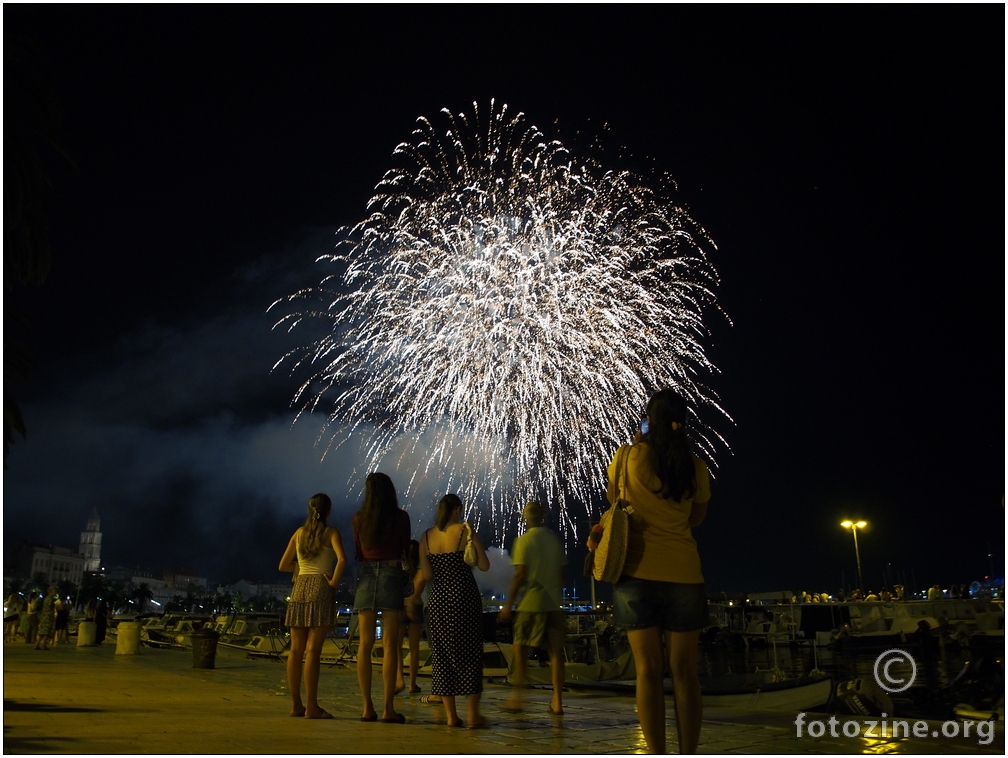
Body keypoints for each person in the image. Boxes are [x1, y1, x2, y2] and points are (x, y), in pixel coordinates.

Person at [603, 389, 711, 754]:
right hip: (684, 574)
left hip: (635, 574)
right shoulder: (695, 465)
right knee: (685, 672)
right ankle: (688, 752)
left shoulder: (626, 457)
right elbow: (696, 518)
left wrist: (634, 448)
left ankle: (656, 752)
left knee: (647, 671)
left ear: (649, 419)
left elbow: (613, 500)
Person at [420, 493, 490, 728]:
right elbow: (484, 565)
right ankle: (472, 716)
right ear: (458, 510)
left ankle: (451, 717)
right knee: (470, 654)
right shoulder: (465, 531)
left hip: (438, 600)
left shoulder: (426, 537)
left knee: (442, 655)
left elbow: (428, 575)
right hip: (464, 598)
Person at [279, 492, 346, 719]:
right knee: (313, 651)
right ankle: (312, 707)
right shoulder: (332, 532)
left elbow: (283, 565)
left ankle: (296, 705)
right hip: (320, 587)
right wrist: (333, 581)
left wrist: (300, 569)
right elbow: (343, 559)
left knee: (295, 650)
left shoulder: (298, 534)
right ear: (328, 511)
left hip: (299, 588)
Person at [497, 500, 567, 715]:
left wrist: (508, 605)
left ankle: (518, 698)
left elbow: (520, 575)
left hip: (531, 603)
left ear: (527, 517)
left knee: (520, 649)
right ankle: (557, 701)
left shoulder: (524, 541)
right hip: (554, 603)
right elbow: (561, 573)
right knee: (556, 653)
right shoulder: (554, 541)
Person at [352, 472, 411, 724]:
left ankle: (367, 707)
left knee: (364, 646)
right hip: (391, 574)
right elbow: (405, 548)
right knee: (389, 646)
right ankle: (388, 708)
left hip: (366, 577)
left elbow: (358, 552)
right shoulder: (400, 517)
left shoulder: (358, 519)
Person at [396, 540, 425, 695]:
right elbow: (422, 582)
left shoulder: (400, 564)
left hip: (400, 605)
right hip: (417, 606)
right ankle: (413, 683)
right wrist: (413, 600)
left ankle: (400, 678)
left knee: (396, 647)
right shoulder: (420, 565)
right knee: (415, 648)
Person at [35, 586, 58, 650]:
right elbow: (50, 607)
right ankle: (43, 645)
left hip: (44, 615)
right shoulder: (50, 599)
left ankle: (37, 644)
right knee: (46, 631)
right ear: (51, 592)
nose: (55, 593)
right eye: (54, 591)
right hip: (48, 616)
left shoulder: (46, 598)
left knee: (42, 631)